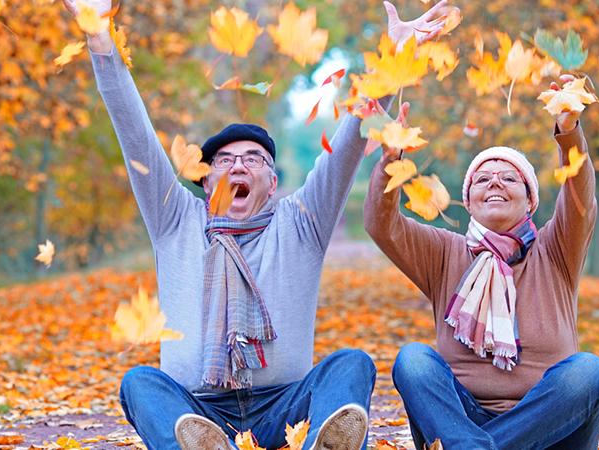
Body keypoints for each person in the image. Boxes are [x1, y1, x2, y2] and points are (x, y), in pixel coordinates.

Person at [62, 1, 456, 449]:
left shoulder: (301, 222)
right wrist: (98, 34)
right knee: (139, 383)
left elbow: (347, 145)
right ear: (205, 179)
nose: (237, 168)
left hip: (287, 409)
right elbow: (133, 130)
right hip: (198, 413)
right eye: (224, 161)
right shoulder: (175, 218)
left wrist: (395, 60)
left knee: (352, 365)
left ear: (272, 183)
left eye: (253, 160)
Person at [363, 75, 599, 450]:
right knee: (413, 360)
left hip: (551, 430)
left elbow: (580, 200)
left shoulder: (556, 248)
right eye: (483, 179)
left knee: (589, 371)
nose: (495, 183)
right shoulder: (445, 252)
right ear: (471, 200)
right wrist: (391, 163)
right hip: (459, 421)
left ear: (530, 201)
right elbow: (382, 226)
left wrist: (569, 131)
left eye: (509, 177)